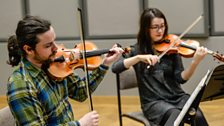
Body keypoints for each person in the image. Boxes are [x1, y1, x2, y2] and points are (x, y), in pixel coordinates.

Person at [6, 15, 123, 126]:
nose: (55, 48)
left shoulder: (54, 64)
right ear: (29, 49)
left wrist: (105, 64)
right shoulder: (21, 84)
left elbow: (80, 92)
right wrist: (80, 124)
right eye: (48, 45)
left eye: (54, 41)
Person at [112, 8, 209, 126]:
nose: (160, 30)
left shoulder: (172, 46)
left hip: (177, 97)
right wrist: (138, 58)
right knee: (175, 116)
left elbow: (181, 78)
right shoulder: (136, 50)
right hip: (154, 102)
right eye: (155, 27)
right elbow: (115, 68)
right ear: (145, 29)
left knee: (197, 115)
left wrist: (195, 62)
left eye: (162, 26)